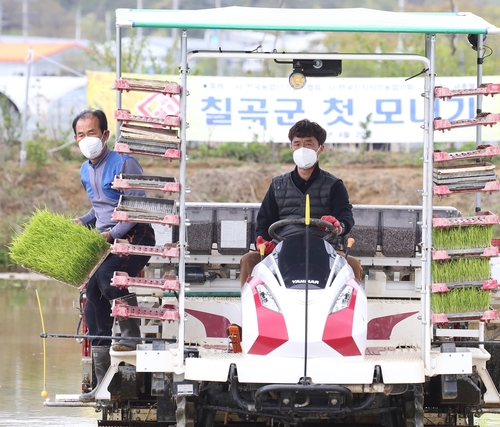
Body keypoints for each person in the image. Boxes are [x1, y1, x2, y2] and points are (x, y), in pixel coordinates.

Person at [72, 109, 155, 402]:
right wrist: (82, 221)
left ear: (105, 135)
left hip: (136, 232)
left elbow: (138, 206)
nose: (86, 140)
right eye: (81, 135)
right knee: (92, 299)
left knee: (108, 274)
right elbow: (100, 208)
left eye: (91, 133)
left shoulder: (124, 162)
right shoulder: (85, 169)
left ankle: (131, 332)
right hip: (107, 239)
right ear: (75, 139)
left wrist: (113, 233)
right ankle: (102, 383)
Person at [240, 118, 362, 286]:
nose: (302, 148)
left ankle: (345, 310)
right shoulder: (277, 184)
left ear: (320, 149)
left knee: (353, 265)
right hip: (281, 249)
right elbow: (264, 221)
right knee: (249, 260)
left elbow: (346, 217)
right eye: (297, 144)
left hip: (324, 250)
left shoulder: (334, 185)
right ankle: (252, 309)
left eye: (308, 143)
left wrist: (338, 225)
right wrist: (261, 240)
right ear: (291, 147)